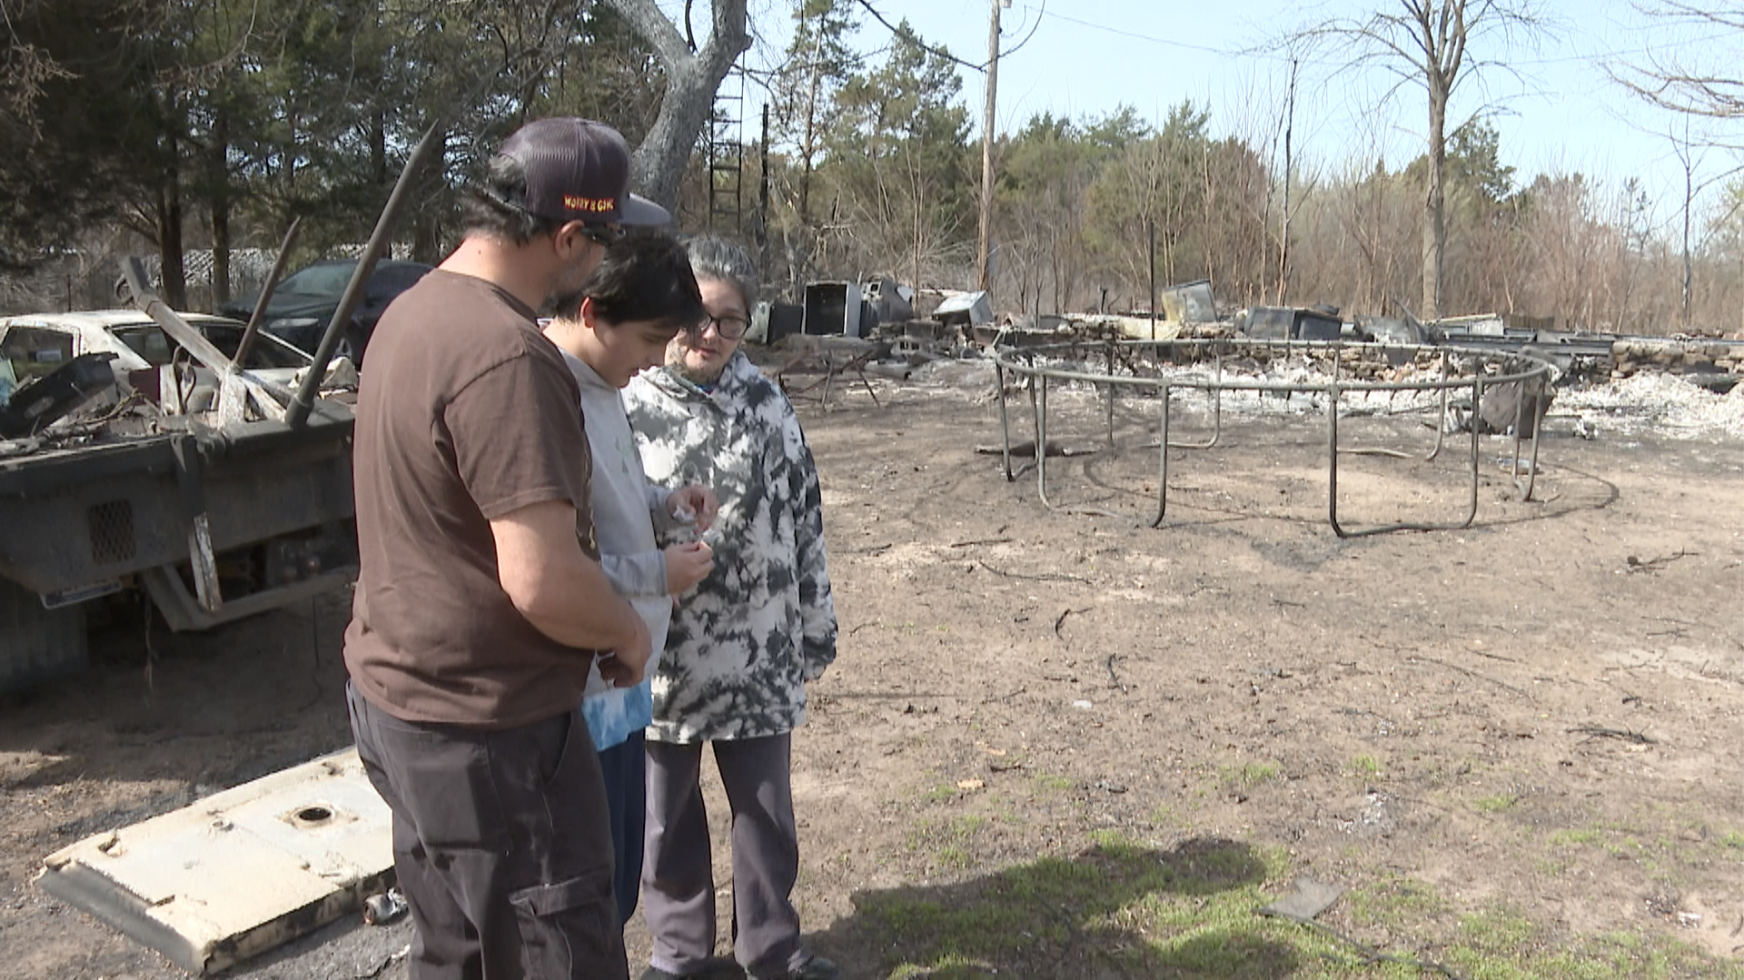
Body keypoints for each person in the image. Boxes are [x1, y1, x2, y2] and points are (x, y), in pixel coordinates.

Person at [342, 117, 670, 980]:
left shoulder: (409, 312)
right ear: (569, 239)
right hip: (492, 736)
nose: (600, 261)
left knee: (456, 952)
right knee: (559, 954)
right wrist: (629, 634)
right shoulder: (508, 355)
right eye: (601, 241)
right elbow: (544, 579)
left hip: (401, 711)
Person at [623, 237, 841, 980]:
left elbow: (805, 518)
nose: (709, 334)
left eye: (730, 320)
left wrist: (815, 625)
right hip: (661, 662)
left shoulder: (769, 404)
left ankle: (771, 950)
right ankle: (678, 954)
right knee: (664, 821)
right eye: (695, 315)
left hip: (761, 655)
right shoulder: (628, 401)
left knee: (766, 818)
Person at [541, 232, 719, 928]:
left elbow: (609, 502)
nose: (653, 362)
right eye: (649, 341)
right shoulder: (548, 393)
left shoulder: (605, 383)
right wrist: (658, 574)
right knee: (586, 888)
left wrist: (662, 504)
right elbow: (557, 562)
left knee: (617, 879)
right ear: (590, 312)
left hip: (622, 683)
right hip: (580, 689)